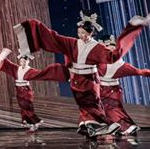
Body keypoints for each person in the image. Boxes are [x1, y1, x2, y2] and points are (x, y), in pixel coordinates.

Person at [13, 11, 149, 137]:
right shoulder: (73, 43)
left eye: (83, 33)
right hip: (76, 80)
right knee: (84, 106)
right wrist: (34, 26)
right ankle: (92, 127)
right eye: (79, 33)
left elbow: (113, 56)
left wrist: (132, 28)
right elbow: (55, 39)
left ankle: (107, 124)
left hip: (89, 80)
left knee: (91, 104)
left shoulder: (97, 47)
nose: (81, 36)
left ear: (91, 33)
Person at [0, 47, 70, 133]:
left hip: (26, 92)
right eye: (21, 61)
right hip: (19, 91)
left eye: (24, 61)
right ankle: (32, 125)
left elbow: (42, 74)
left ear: (28, 62)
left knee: (26, 107)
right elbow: (7, 64)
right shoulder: (16, 68)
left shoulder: (30, 71)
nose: (23, 63)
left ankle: (36, 121)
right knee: (23, 108)